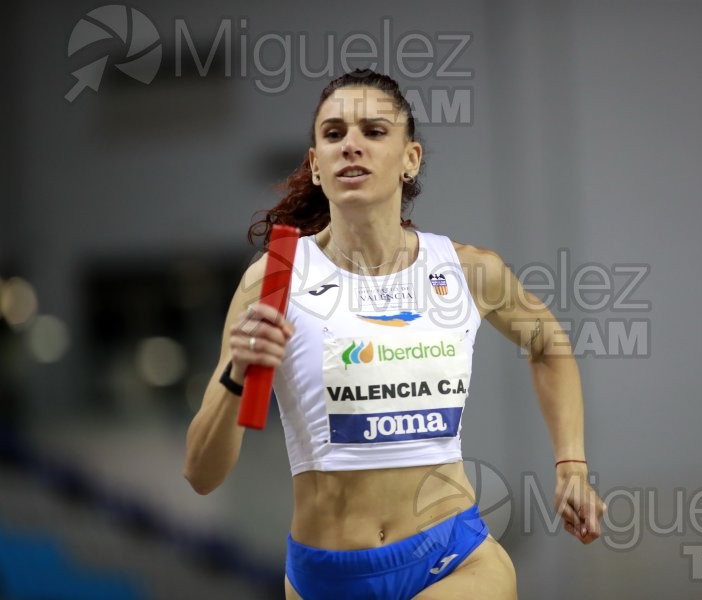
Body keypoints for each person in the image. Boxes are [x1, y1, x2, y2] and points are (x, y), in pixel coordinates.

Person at [183, 69, 605, 600]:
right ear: (316, 166)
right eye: (334, 134)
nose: (351, 145)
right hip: (325, 578)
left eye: (374, 132)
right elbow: (201, 473)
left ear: (411, 159)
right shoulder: (274, 282)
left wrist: (571, 463)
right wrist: (234, 374)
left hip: (452, 557)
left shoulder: (468, 272)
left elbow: (548, 344)